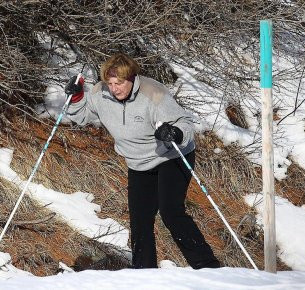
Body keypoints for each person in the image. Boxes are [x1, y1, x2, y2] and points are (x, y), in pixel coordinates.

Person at [65, 53, 220, 269]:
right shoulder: (101, 93)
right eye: (110, 83)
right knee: (140, 221)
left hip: (170, 157)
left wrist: (174, 133)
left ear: (131, 79)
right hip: (138, 163)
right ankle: (143, 272)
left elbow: (184, 123)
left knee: (171, 212)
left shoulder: (152, 93)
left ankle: (208, 267)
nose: (114, 88)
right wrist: (76, 96)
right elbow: (80, 116)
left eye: (119, 83)